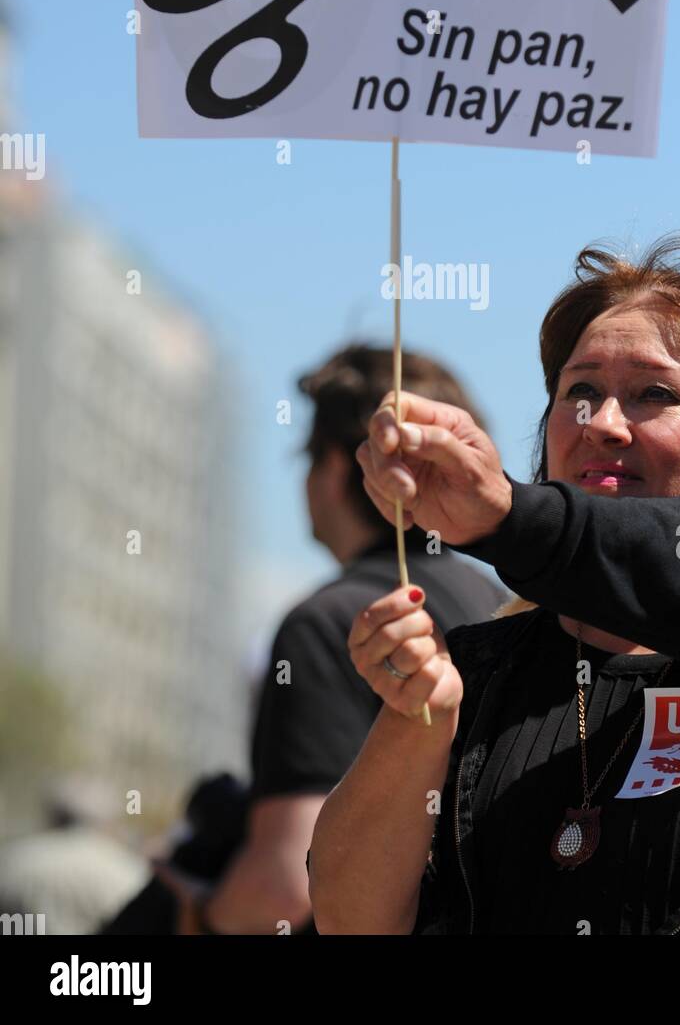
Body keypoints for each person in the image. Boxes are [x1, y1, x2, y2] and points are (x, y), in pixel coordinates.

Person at [309, 236, 680, 935]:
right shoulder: (475, 670)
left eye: (653, 394)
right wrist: (414, 720)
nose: (601, 423)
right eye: (579, 391)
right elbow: (349, 924)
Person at [125, 343, 507, 935]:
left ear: (336, 468)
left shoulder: (327, 622)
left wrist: (194, 913)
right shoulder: (500, 607)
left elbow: (283, 887)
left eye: (306, 457)